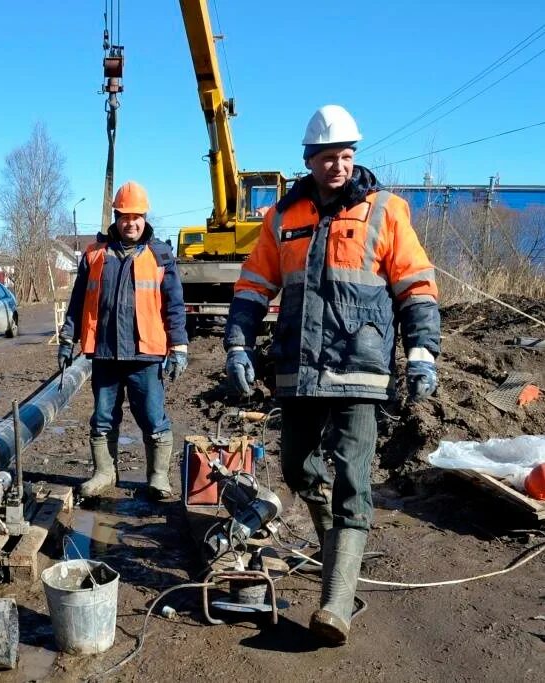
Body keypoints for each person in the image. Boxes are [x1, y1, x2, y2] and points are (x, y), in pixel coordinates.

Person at [223, 105, 440, 645]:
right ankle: (334, 557)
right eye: (328, 157)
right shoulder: (282, 218)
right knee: (298, 469)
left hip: (361, 371)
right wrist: (237, 344)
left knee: (353, 478)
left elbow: (414, 285)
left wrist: (422, 352)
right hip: (298, 368)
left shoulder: (385, 212)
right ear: (309, 160)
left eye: (346, 156)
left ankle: (336, 603)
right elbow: (253, 286)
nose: (338, 166)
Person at [58, 180, 188, 500]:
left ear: (144, 217)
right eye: (124, 216)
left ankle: (157, 476)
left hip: (146, 353)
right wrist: (66, 338)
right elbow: (78, 301)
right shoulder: (95, 255)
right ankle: (104, 473)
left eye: (136, 217)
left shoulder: (160, 255)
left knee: (153, 417)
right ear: (115, 217)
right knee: (103, 417)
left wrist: (180, 347)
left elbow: (174, 304)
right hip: (105, 351)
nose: (130, 223)